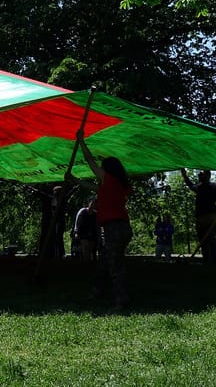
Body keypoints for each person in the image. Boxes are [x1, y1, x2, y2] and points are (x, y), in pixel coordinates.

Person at [78, 131, 133, 311]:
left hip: (114, 228)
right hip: (122, 228)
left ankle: (121, 301)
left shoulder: (109, 180)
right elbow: (94, 186)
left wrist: (81, 141)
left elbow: (89, 161)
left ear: (107, 170)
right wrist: (75, 181)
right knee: (105, 261)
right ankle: (96, 293)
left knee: (115, 266)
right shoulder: (117, 184)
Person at [180, 168, 216, 265]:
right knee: (206, 239)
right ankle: (210, 260)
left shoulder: (208, 187)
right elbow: (191, 186)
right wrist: (185, 176)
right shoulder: (201, 187)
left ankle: (212, 260)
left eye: (202, 174)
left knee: (208, 239)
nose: (200, 175)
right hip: (204, 217)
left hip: (207, 217)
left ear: (207, 176)